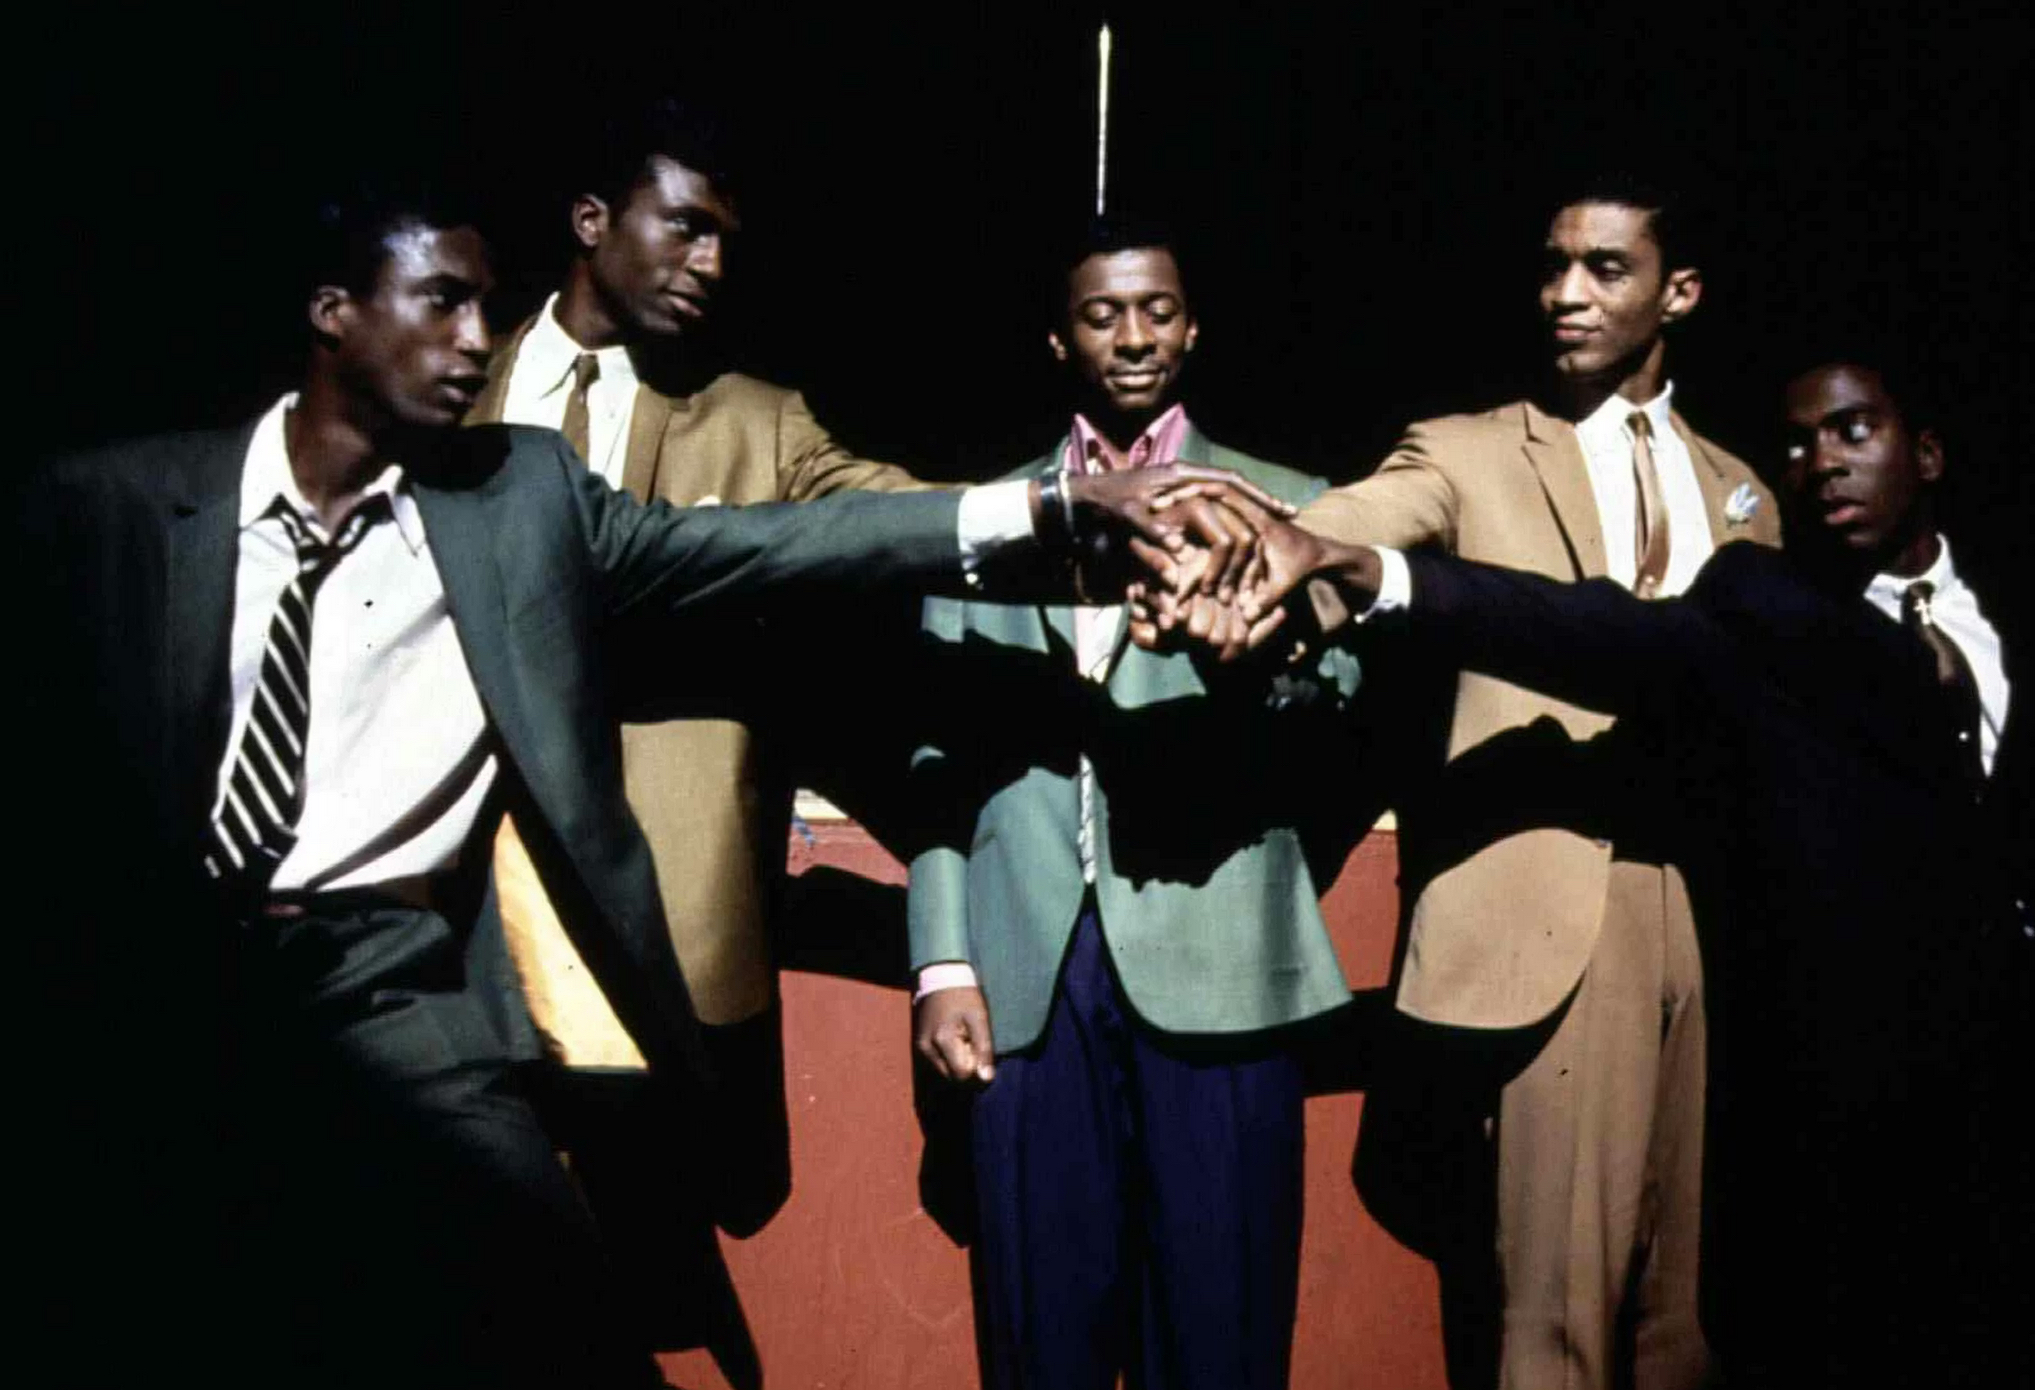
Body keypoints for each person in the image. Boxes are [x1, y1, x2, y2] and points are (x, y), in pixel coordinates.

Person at [10, 177, 1273, 1387]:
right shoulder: (112, 505)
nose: (472, 337)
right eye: (439, 301)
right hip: (169, 970)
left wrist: (1052, 511)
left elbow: (783, 542)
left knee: (553, 1311)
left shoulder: (518, 497)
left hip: (400, 987)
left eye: (480, 304)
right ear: (335, 314)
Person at [1199, 350, 2021, 1388]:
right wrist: (1371, 571)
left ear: (1929, 451)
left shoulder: (2034, 613)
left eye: (1854, 432)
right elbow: (1581, 629)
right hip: (1829, 1121)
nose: (1821, 464)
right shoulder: (1763, 607)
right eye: (1801, 443)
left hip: (1998, 1109)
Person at [461, 98, 933, 1380]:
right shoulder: (457, 390)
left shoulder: (756, 418)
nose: (712, 263)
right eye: (686, 228)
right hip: (462, 907)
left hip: (665, 922)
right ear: (591, 222)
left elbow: (895, 516)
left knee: (643, 1287)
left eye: (728, 239)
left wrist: (1067, 514)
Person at [1287, 176, 1778, 1388]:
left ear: (1682, 292)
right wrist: (1259, 557)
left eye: (1606, 268)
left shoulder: (1747, 492)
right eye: (1553, 263)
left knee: (1692, 1325)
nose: (1566, 293)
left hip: (1716, 922)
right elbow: (1349, 529)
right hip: (1556, 909)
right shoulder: (1465, 450)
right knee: (1553, 1323)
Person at [906, 221, 1360, 1390]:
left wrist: (1254, 654)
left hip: (1220, 961)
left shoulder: (1286, 503)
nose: (1134, 336)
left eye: (1157, 309)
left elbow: (1342, 707)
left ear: (1193, 325)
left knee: (1223, 1333)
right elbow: (938, 757)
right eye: (1103, 314)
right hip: (1028, 971)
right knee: (1039, 1336)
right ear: (1060, 338)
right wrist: (942, 961)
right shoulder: (989, 520)